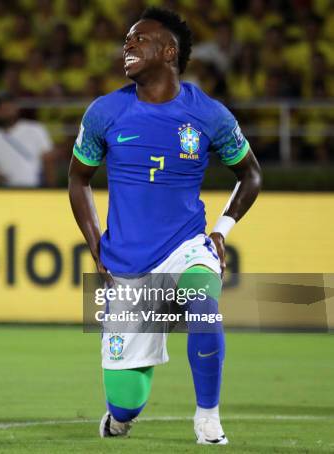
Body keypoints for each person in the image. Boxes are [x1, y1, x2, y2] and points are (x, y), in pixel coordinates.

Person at [68, 7, 262, 445]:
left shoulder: (209, 114)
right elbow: (78, 177)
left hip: (187, 246)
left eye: (139, 39)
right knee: (125, 402)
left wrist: (221, 231)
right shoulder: (105, 112)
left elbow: (250, 173)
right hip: (129, 264)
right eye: (126, 41)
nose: (128, 46)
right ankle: (119, 417)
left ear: (168, 51)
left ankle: (208, 417)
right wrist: (95, 242)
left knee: (204, 305)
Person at [0, 94, 56, 187]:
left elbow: (48, 160)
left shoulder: (35, 129)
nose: (6, 111)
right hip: (7, 193)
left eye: (8, 107)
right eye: (1, 109)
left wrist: (50, 188)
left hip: (36, 191)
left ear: (16, 108)